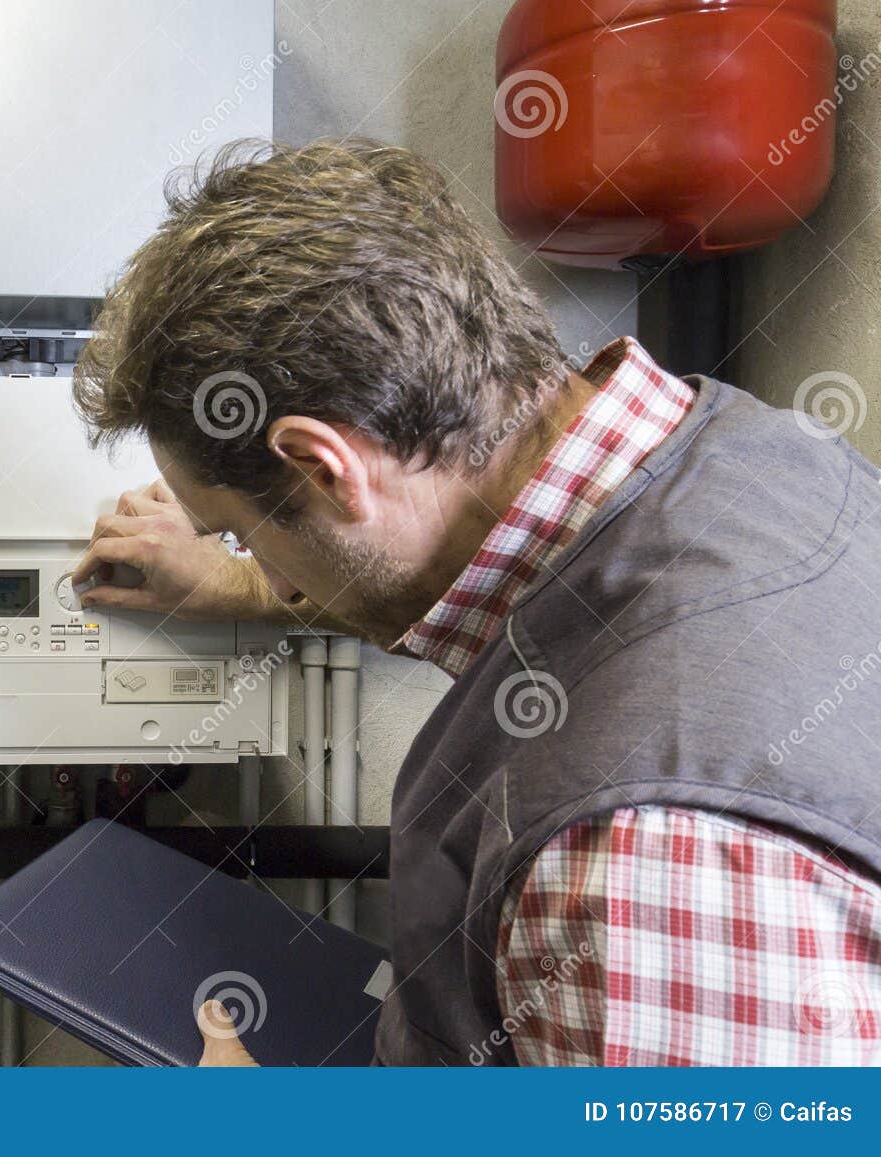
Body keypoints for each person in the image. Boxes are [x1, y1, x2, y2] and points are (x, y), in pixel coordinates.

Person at [69, 139, 881, 1066]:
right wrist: (248, 582)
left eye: (241, 532)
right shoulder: (745, 450)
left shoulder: (640, 864)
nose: (279, 578)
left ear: (323, 468)